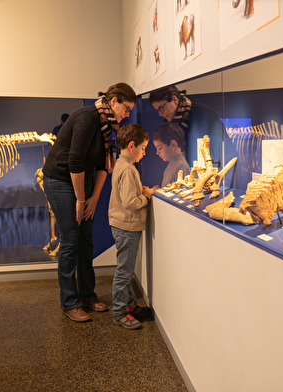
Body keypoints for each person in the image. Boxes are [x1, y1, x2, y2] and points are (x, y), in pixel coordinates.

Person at [42, 83, 137, 323]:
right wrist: (80, 199)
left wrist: (93, 199)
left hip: (84, 180)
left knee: (86, 239)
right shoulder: (87, 118)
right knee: (70, 240)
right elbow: (75, 161)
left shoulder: (108, 127)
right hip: (60, 179)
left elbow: (103, 165)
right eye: (126, 109)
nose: (127, 115)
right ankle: (69, 302)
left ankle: (87, 295)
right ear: (113, 100)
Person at [108, 124, 157, 329]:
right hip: (126, 226)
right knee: (124, 271)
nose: (144, 152)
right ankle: (119, 311)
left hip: (125, 225)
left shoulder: (123, 165)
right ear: (131, 145)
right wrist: (145, 196)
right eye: (143, 148)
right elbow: (130, 202)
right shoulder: (128, 169)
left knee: (127, 270)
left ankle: (129, 305)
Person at [153, 122, 190, 187]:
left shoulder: (181, 167)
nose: (157, 152)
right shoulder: (172, 163)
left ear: (173, 144)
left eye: (160, 148)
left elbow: (179, 195)